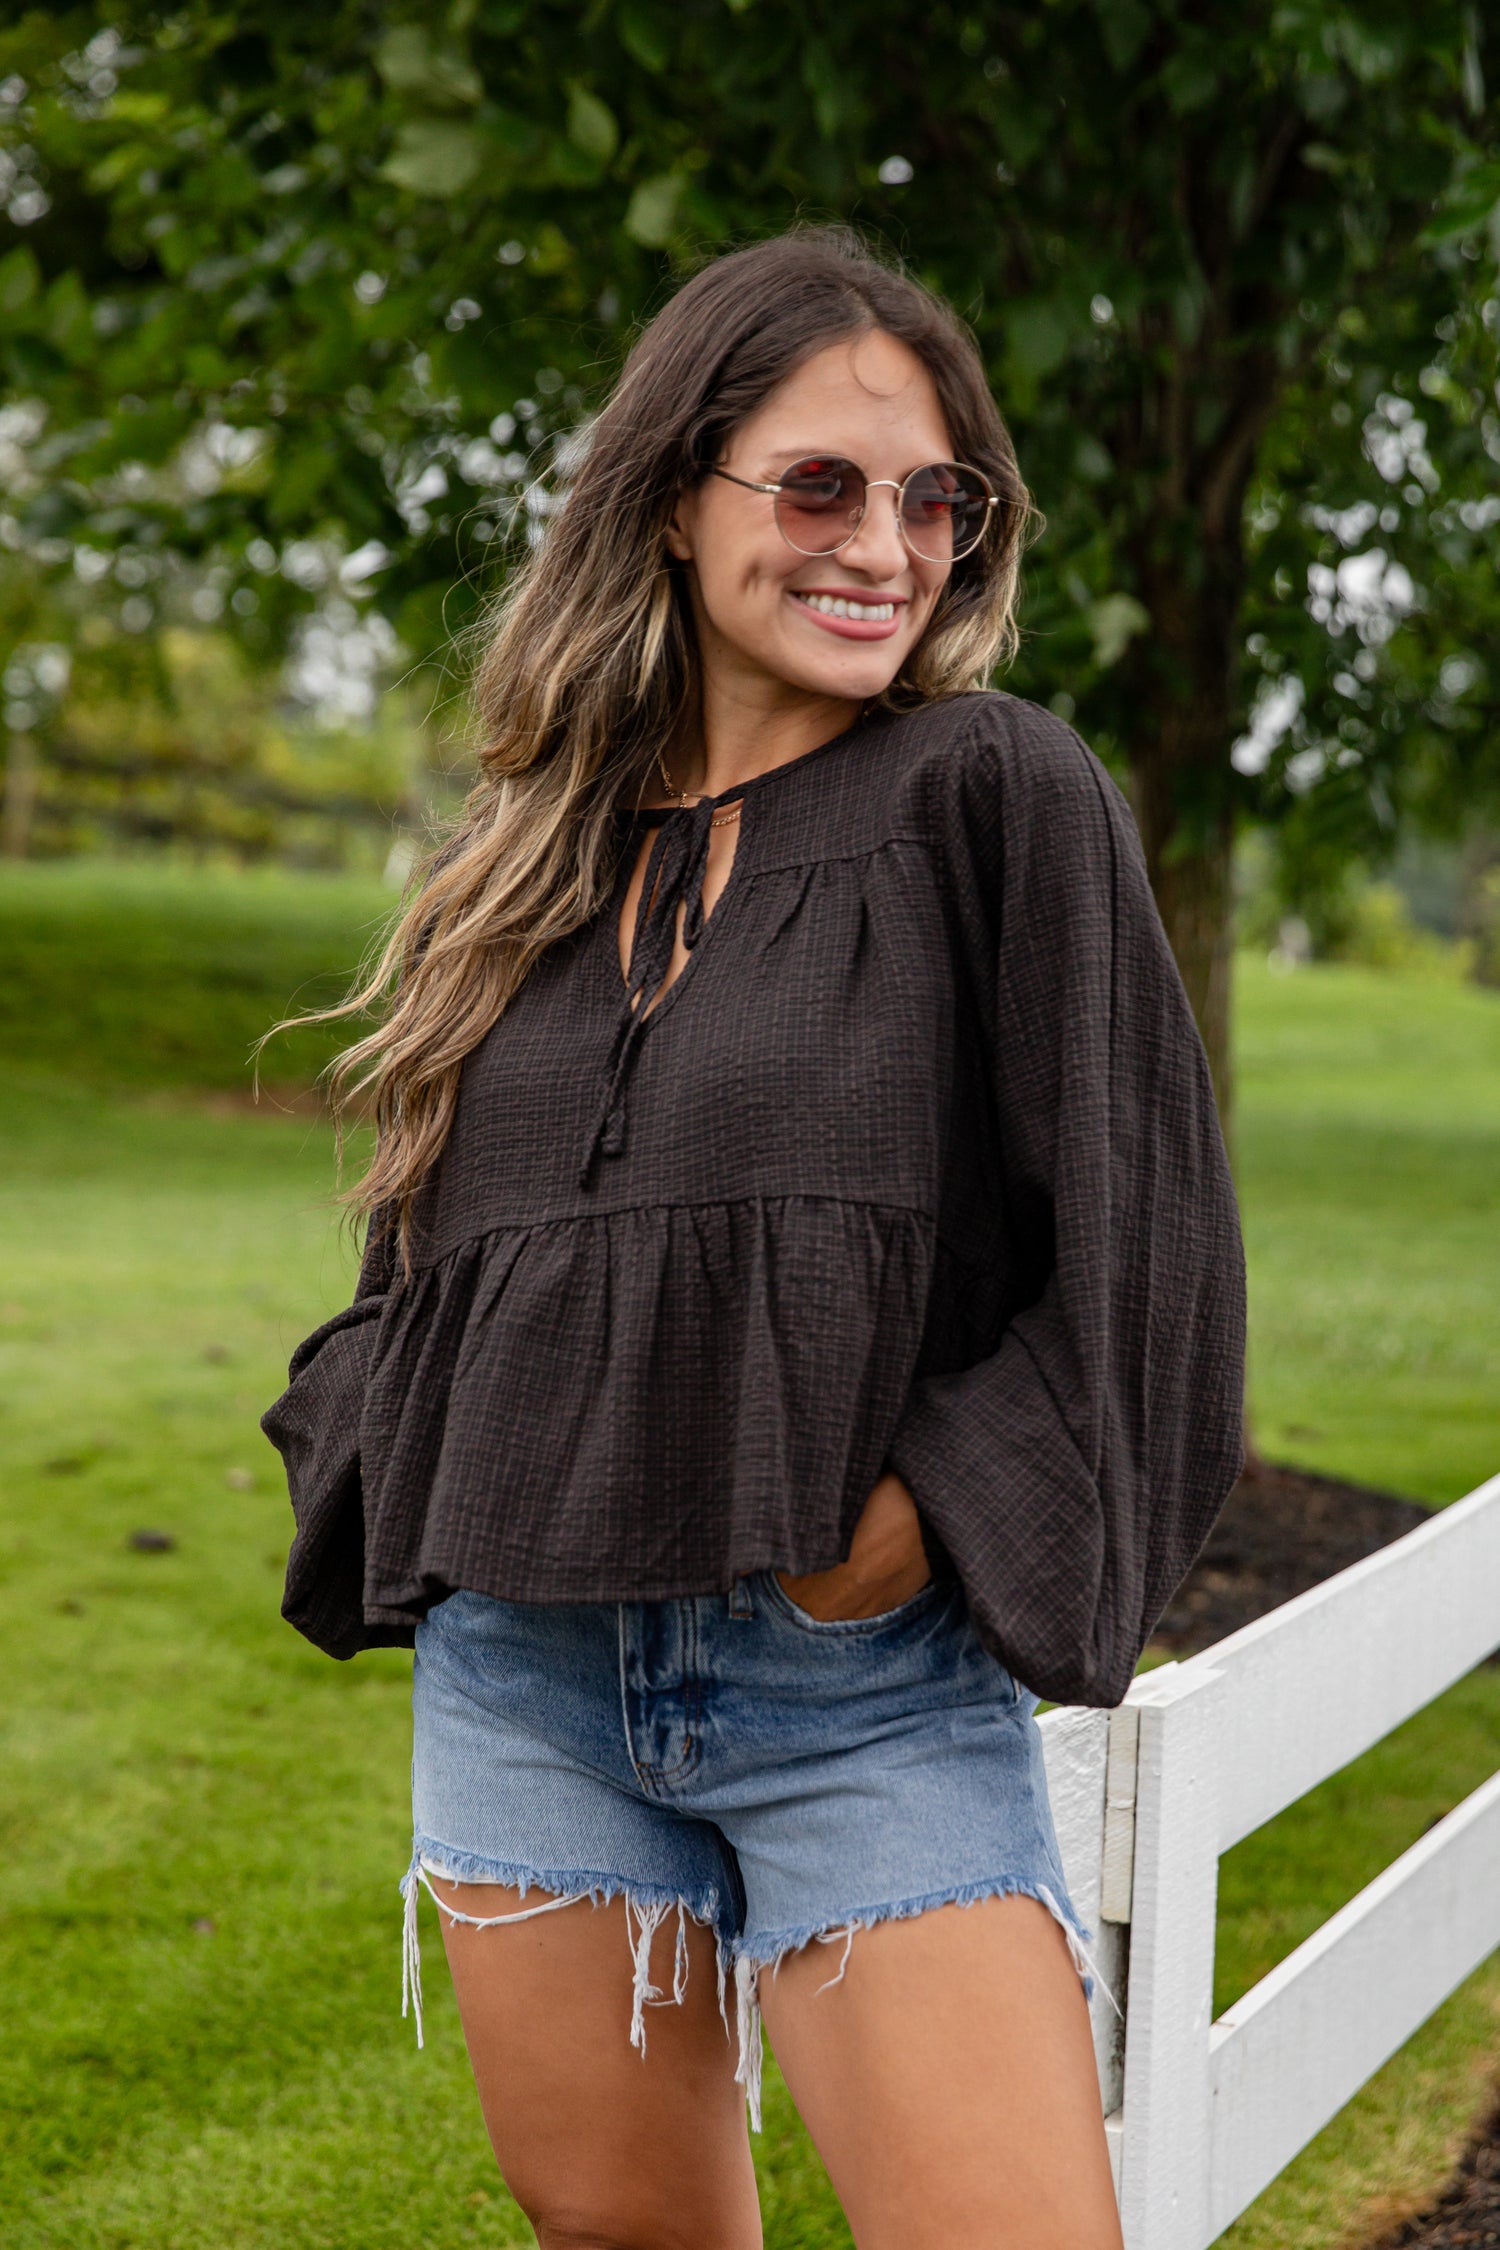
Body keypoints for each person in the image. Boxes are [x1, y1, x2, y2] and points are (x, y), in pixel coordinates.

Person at [263, 226, 1245, 2250]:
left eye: (932, 497)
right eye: (818, 484)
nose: (883, 542)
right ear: (673, 499)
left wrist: (893, 1540)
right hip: (524, 1682)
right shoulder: (528, 853)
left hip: (855, 1685)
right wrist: (398, 1481)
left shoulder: (997, 794)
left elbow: (1150, 1270)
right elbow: (424, 1267)